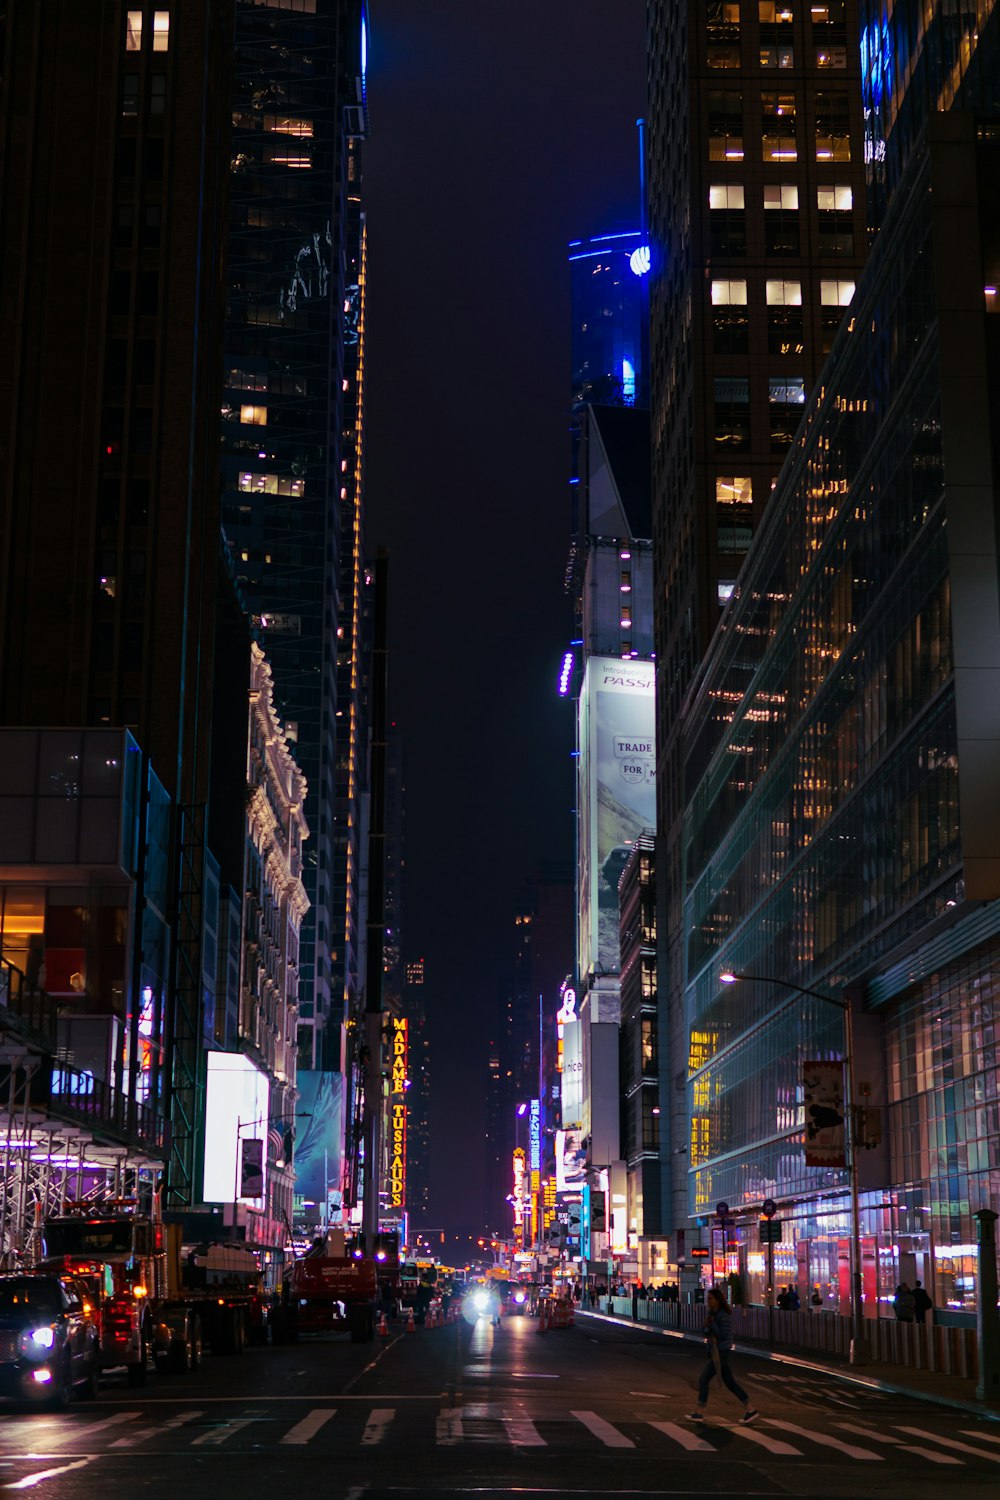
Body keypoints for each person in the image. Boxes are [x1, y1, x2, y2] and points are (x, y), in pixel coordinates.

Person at [687, 1287, 759, 1425]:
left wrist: (712, 1324)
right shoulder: (712, 1313)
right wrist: (707, 1326)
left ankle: (700, 1411)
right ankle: (750, 1409)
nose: (708, 1301)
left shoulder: (722, 1315)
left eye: (710, 1299)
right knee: (730, 1383)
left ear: (717, 1300)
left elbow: (723, 1335)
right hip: (715, 1350)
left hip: (721, 1351)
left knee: (704, 1379)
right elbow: (706, 1331)